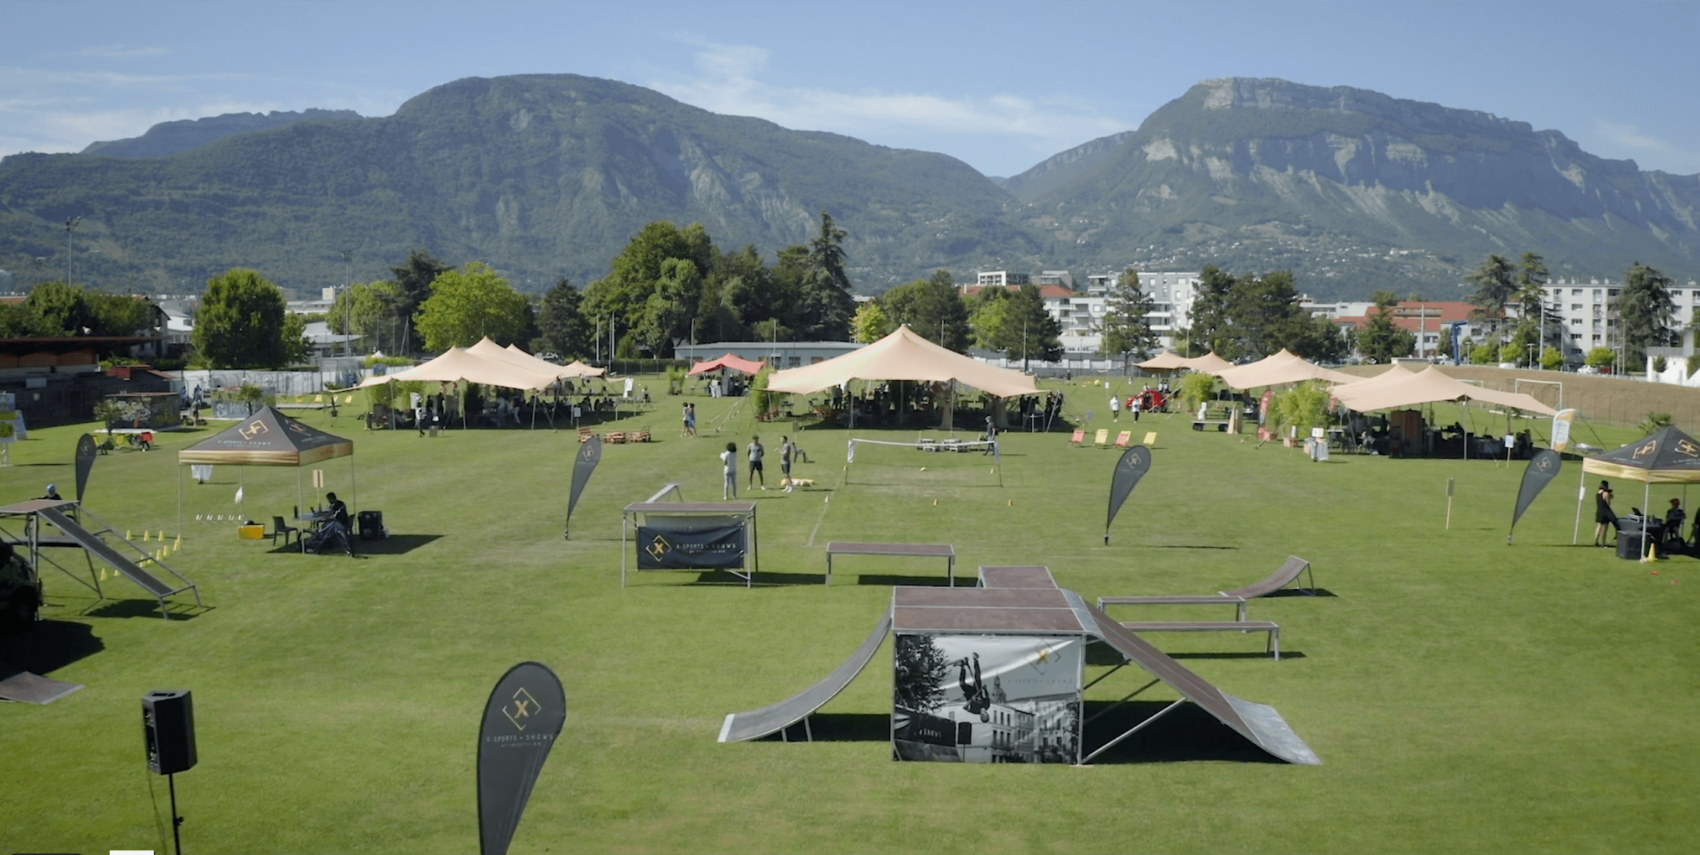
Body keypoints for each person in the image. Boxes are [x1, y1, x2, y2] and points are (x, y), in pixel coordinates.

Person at [957, 652, 991, 723]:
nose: (983, 715)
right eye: (985, 716)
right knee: (977, 677)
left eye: (982, 717)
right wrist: (985, 689)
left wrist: (971, 700)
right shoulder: (987, 705)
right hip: (977, 690)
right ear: (987, 714)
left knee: (961, 683)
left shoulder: (975, 711)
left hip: (969, 693)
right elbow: (987, 696)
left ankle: (962, 667)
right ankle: (976, 660)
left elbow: (965, 707)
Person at [1593, 480, 1617, 547]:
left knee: (1599, 526)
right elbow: (1608, 503)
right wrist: (1610, 496)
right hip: (1605, 511)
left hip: (1599, 510)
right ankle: (1603, 543)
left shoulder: (1598, 493)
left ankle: (1596, 541)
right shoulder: (1606, 493)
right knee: (1604, 528)